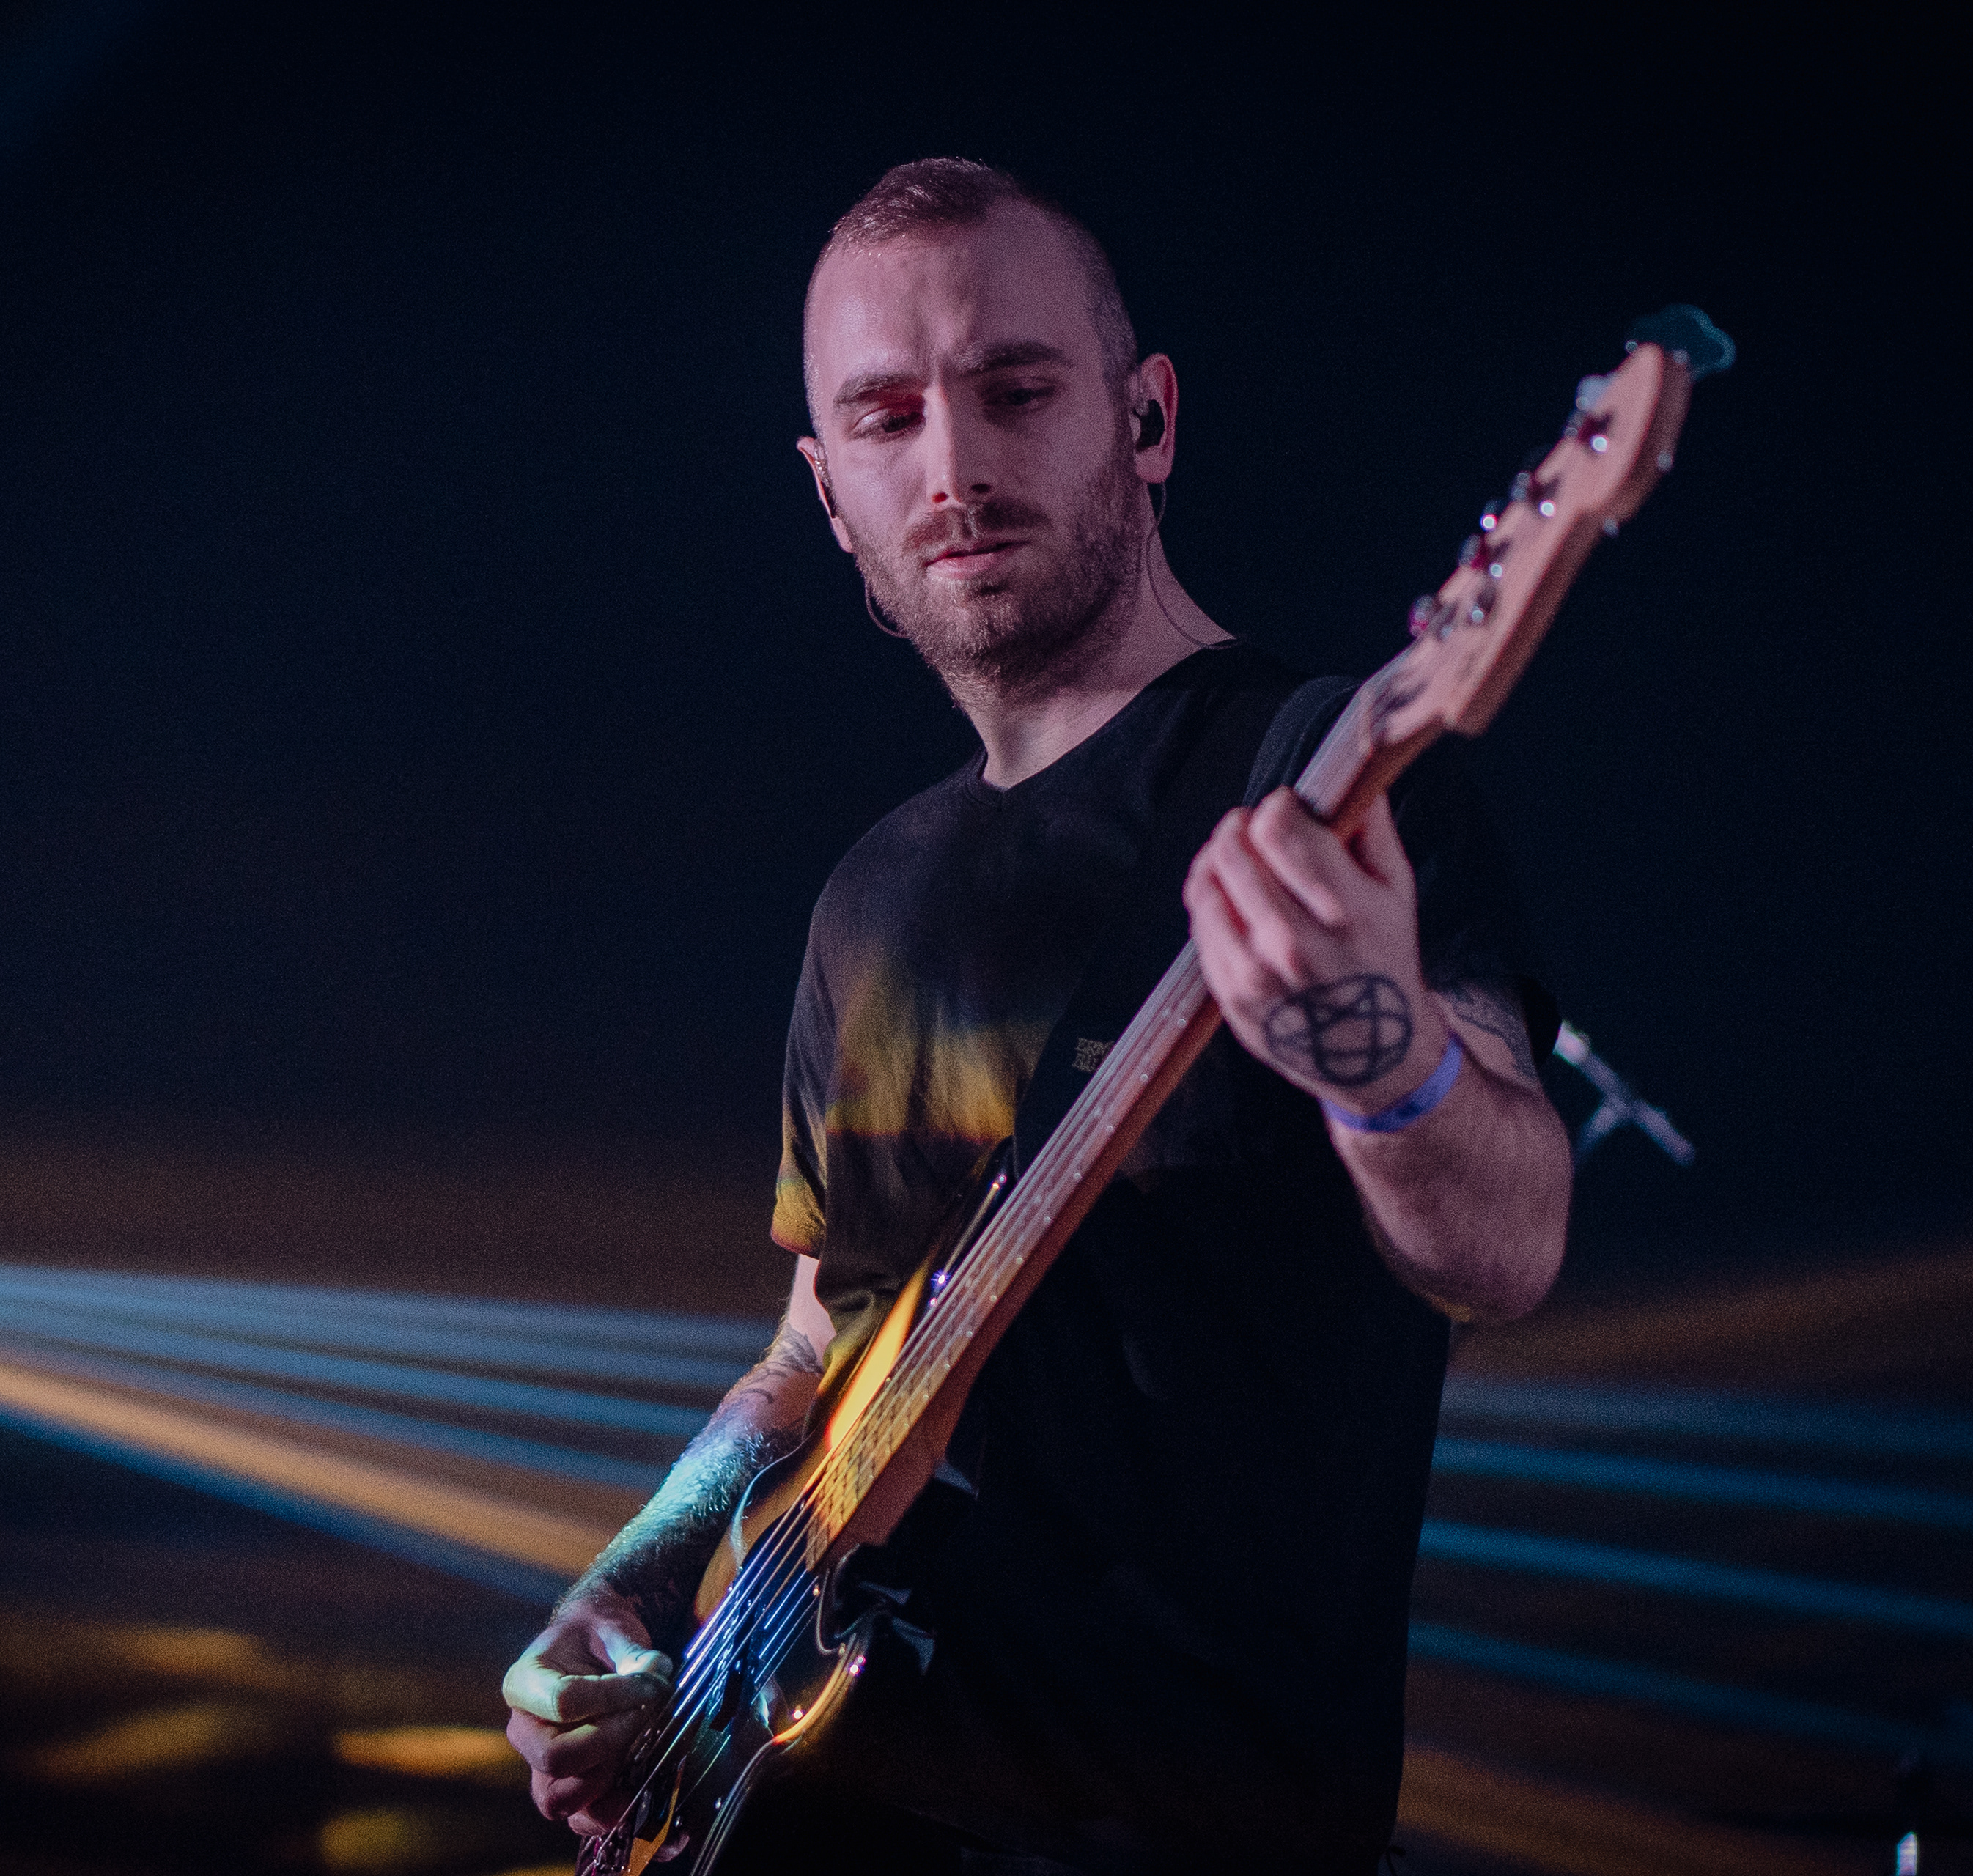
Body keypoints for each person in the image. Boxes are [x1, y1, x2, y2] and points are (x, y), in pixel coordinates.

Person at [503, 158, 1573, 1872]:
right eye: (888, 416)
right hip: (805, 1802)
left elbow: (1509, 1243)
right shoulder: (867, 895)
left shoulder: (1323, 779)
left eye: (1015, 391)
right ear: (828, 489)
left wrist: (1374, 1047)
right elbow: (817, 1339)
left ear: (1147, 419)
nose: (954, 466)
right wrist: (632, 1575)